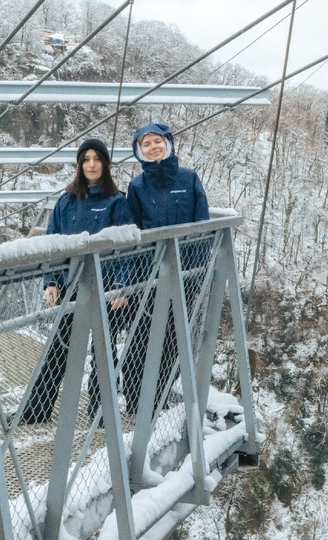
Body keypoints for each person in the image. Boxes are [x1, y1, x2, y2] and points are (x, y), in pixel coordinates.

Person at [17, 138, 133, 426]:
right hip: (71, 286)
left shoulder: (117, 202)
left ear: (105, 164)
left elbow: (128, 249)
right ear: (80, 164)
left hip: (106, 290)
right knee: (58, 348)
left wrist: (123, 286)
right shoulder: (66, 201)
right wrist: (50, 281)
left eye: (97, 159)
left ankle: (100, 413)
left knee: (103, 352)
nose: (91, 164)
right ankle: (37, 410)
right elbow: (53, 246)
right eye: (86, 159)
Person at [122, 123, 209, 417]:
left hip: (185, 276)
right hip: (149, 278)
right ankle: (135, 405)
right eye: (146, 144)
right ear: (139, 151)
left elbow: (202, 226)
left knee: (173, 342)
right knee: (140, 341)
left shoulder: (189, 178)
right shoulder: (136, 187)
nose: (153, 147)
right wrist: (135, 278)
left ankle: (158, 401)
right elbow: (132, 233)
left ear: (168, 144)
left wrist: (197, 272)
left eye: (157, 141)